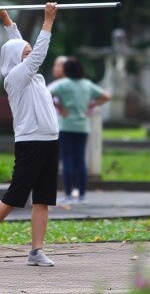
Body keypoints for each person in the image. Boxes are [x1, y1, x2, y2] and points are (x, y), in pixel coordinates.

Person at [0, 1, 60, 268]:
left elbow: (18, 43)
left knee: (43, 199)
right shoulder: (16, 77)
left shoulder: (32, 76)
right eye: (26, 54)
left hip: (50, 141)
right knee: (14, 198)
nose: (30, 55)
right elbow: (35, 53)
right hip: (31, 143)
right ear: (17, 60)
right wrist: (48, 20)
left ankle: (36, 251)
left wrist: (5, 17)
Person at [48, 57, 111, 204]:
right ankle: (82, 195)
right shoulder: (87, 84)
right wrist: (92, 105)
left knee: (67, 160)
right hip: (83, 126)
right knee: (80, 160)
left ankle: (69, 194)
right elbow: (106, 96)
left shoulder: (63, 84)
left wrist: (59, 107)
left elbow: (45, 93)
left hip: (66, 126)